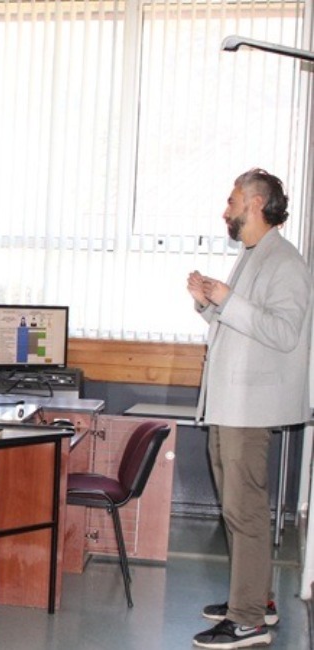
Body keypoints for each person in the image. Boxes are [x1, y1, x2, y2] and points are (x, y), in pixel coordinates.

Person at [187, 169, 312, 649]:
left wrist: (227, 299)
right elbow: (241, 322)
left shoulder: (286, 262)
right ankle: (257, 599)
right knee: (239, 510)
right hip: (231, 404)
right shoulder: (254, 255)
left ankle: (247, 621)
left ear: (256, 204)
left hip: (250, 407)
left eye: (232, 200)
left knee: (246, 512)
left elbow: (283, 333)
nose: (226, 209)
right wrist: (208, 303)